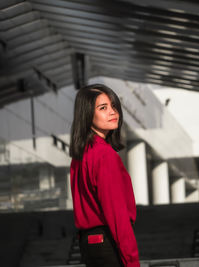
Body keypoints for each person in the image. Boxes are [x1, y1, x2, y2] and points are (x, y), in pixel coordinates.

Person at [69, 84, 140, 267]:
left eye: (113, 106)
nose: (112, 112)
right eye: (103, 108)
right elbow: (117, 215)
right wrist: (132, 262)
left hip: (89, 245)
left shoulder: (80, 155)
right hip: (108, 243)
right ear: (87, 114)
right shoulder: (105, 155)